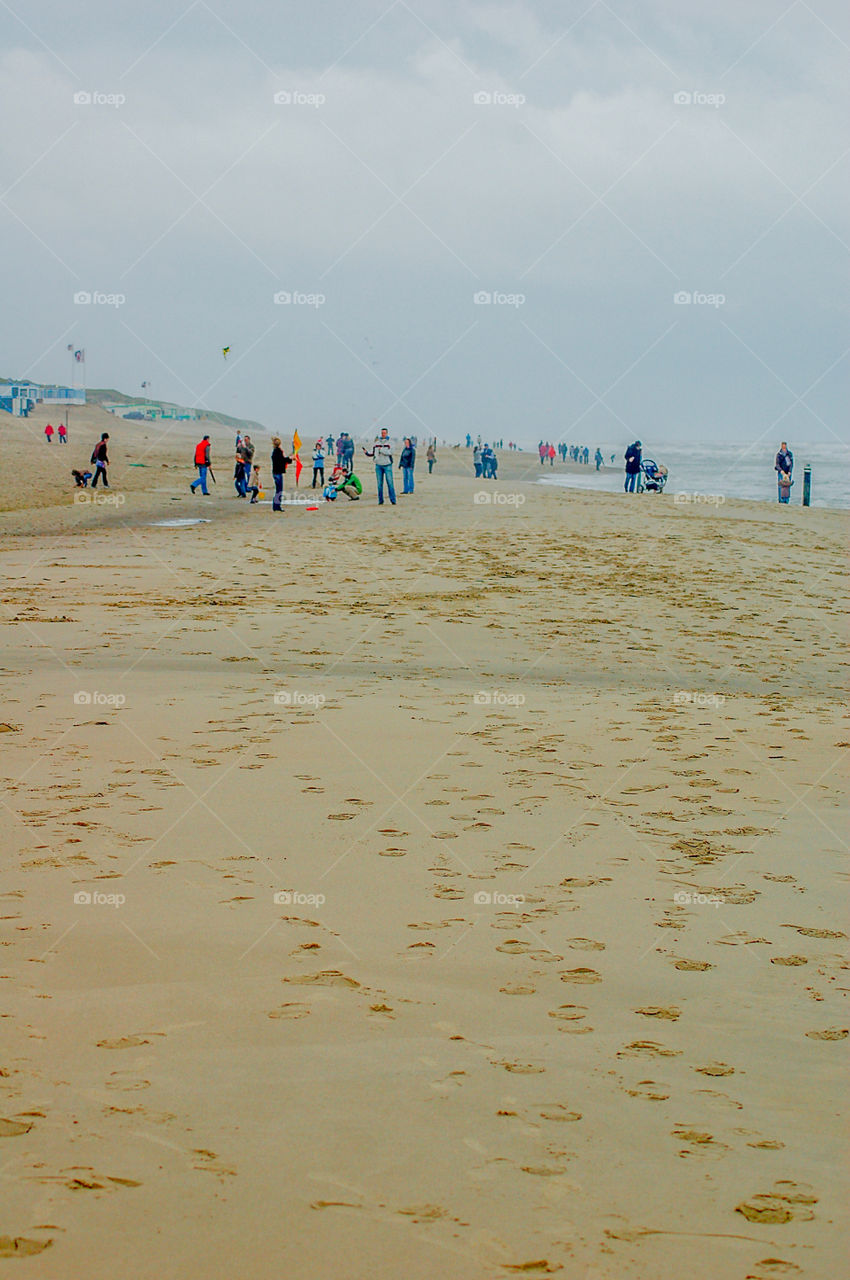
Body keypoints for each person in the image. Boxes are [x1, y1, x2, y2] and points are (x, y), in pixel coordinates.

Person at [363, 427, 396, 505]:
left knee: (390, 483)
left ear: (387, 433)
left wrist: (381, 450)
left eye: (384, 433)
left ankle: (393, 500)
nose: (383, 434)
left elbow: (390, 452)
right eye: (382, 433)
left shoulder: (390, 442)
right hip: (378, 465)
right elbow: (373, 452)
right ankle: (380, 501)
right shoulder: (377, 442)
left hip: (387, 464)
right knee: (379, 484)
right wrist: (366, 453)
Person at [270, 437, 292, 511]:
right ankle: (277, 506)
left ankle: (276, 506)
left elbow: (282, 460)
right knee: (279, 491)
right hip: (278, 473)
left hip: (275, 472)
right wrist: (290, 458)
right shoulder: (278, 451)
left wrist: (289, 458)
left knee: (278, 490)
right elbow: (282, 460)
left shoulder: (275, 451)